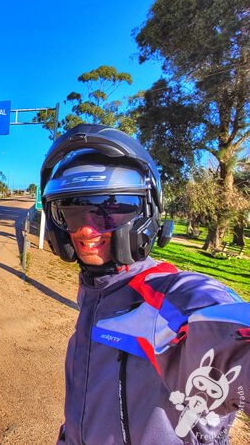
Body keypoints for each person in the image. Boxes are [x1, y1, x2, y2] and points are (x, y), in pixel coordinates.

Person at [40, 124, 249, 444]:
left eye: (109, 211)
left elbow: (229, 335)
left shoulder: (173, 300)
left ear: (146, 214)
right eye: (71, 212)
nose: (85, 231)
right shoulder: (94, 295)